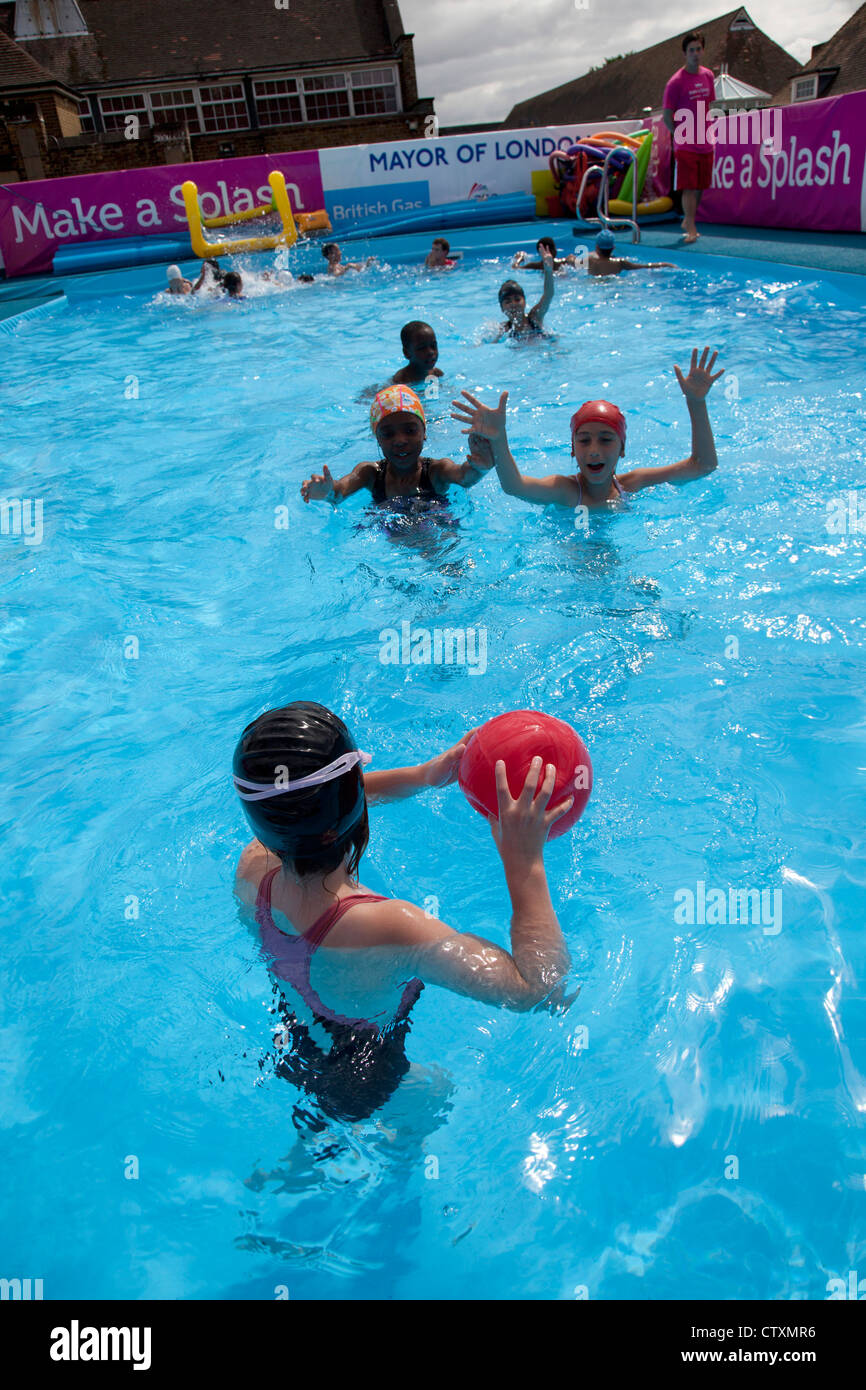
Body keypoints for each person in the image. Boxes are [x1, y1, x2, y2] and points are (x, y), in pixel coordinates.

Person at [234, 702, 573, 1120]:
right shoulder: (390, 927)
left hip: (295, 1040)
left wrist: (422, 777)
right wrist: (525, 863)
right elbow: (538, 991)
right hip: (369, 1069)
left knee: (318, 1117)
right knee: (435, 1093)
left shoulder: (253, 869)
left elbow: (305, 809)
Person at [450, 347, 724, 510]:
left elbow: (704, 466)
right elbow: (515, 487)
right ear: (572, 449)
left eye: (606, 439)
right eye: (584, 441)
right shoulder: (565, 491)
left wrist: (696, 402)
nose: (594, 451)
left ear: (622, 449)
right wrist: (499, 439)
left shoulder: (634, 484)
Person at [300, 385, 494, 509]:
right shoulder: (369, 473)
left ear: (424, 432)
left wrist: (481, 465)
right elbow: (340, 492)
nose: (400, 440)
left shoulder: (437, 470)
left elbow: (464, 477)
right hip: (388, 534)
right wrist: (327, 493)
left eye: (410, 430)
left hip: (436, 530)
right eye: (388, 434)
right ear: (377, 438)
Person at [663, 31, 717, 244]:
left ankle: (689, 219)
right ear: (685, 54)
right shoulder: (675, 83)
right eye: (691, 50)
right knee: (689, 186)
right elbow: (668, 116)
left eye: (698, 49)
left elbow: (708, 105)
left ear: (702, 51)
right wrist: (679, 135)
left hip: (705, 139)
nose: (695, 54)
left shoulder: (708, 76)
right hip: (686, 143)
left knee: (702, 185)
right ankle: (691, 227)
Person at [497, 247, 555, 339]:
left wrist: (548, 270)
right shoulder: (503, 330)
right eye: (508, 302)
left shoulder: (535, 318)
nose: (513, 304)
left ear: (524, 301)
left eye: (517, 299)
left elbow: (548, 295)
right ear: (502, 308)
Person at [588, 230, 675, 277]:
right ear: (613, 248)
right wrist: (664, 264)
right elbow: (644, 266)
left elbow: (573, 260)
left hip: (594, 284)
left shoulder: (589, 260)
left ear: (597, 247)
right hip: (614, 283)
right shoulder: (620, 262)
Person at [391, 321, 444, 388]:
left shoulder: (436, 373)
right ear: (407, 353)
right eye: (422, 348)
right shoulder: (401, 381)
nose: (431, 352)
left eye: (433, 345)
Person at [512, 236, 577, 272]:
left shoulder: (537, 266)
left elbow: (515, 267)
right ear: (555, 251)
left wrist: (520, 258)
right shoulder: (564, 262)